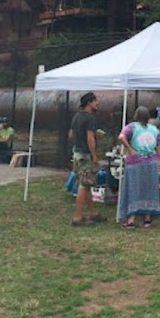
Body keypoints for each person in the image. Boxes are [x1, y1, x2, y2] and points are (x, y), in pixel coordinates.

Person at [116, 106, 160, 229]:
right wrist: (159, 162)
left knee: (133, 188)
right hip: (151, 162)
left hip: (135, 162)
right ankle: (147, 218)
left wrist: (130, 149)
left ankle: (131, 219)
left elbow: (121, 137)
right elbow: (159, 147)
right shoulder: (154, 130)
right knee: (149, 188)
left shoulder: (132, 127)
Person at [68, 92, 105, 226]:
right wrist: (94, 156)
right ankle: (77, 217)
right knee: (84, 186)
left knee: (87, 184)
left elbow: (70, 136)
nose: (97, 103)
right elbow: (90, 138)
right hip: (85, 156)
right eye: (95, 101)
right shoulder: (90, 118)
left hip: (76, 154)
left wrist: (79, 141)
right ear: (89, 102)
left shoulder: (77, 116)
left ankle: (93, 213)